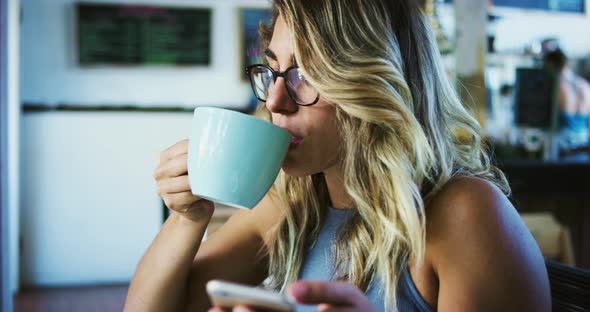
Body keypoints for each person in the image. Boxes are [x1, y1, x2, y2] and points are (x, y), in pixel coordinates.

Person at [124, 1, 551, 311]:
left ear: (376, 79)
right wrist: (186, 218)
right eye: (272, 70)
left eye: (306, 74)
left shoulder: (464, 215)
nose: (275, 101)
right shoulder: (291, 205)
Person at [544, 48, 590, 150]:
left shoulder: (554, 86)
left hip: (561, 148)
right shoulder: (584, 86)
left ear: (550, 64)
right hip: (584, 146)